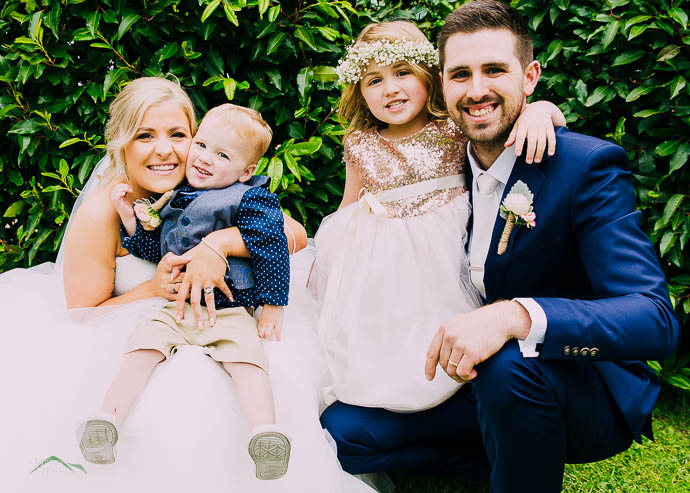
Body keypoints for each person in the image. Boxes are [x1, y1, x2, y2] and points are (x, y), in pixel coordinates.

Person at [322, 2, 680, 492]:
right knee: (346, 433)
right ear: (443, 85)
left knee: (509, 362)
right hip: (479, 379)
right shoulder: (448, 160)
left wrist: (516, 316)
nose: (476, 90)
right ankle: (499, 453)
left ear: (530, 76)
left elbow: (654, 319)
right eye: (460, 74)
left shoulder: (582, 166)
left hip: (570, 381)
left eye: (494, 70)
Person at [0, 77, 374, 493]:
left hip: (224, 320)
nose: (165, 150)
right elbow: (83, 313)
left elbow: (294, 235)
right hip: (143, 333)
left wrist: (219, 243)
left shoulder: (203, 183)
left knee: (257, 369)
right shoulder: (103, 211)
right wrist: (154, 290)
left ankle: (265, 444)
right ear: (122, 143)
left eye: (177, 134)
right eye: (145, 135)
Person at [314, 18, 564, 415]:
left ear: (429, 77)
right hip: (381, 259)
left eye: (401, 73)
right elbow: (347, 207)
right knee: (384, 337)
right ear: (360, 93)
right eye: (373, 81)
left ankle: (463, 398)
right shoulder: (359, 143)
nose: (390, 89)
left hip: (443, 254)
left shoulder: (454, 126)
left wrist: (541, 110)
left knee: (446, 326)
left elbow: (522, 117)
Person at [78, 103, 291, 480]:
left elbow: (272, 244)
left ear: (247, 170)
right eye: (203, 145)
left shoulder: (249, 198)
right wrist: (132, 220)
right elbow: (157, 251)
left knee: (248, 361)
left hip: (226, 309)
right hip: (174, 308)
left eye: (223, 154)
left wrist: (274, 304)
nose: (206, 158)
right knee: (140, 350)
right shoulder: (177, 196)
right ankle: (106, 420)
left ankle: (265, 433)